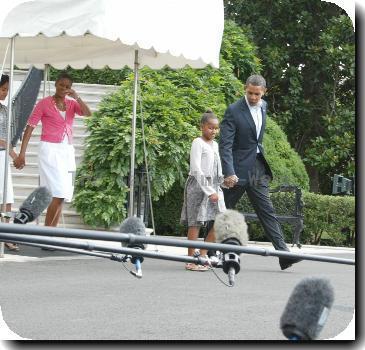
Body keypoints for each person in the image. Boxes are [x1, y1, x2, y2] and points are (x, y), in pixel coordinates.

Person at [219, 74, 301, 270]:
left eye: (257, 94)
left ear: (264, 92)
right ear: (244, 89)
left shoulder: (263, 107)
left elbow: (256, 141)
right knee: (222, 209)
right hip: (237, 170)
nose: (253, 97)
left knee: (267, 210)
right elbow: (225, 145)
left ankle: (283, 255)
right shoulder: (233, 110)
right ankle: (208, 252)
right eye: (250, 93)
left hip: (257, 167)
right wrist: (229, 172)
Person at [14, 72, 91, 230]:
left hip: (67, 151)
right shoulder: (44, 103)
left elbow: (88, 113)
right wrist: (22, 153)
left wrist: (76, 97)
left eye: (67, 86)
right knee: (56, 193)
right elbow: (30, 127)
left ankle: (52, 233)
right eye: (61, 85)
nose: (64, 88)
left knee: (63, 194)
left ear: (71, 88)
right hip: (49, 151)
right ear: (56, 84)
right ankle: (47, 234)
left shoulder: (71, 104)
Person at [180, 109, 226, 271]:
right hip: (198, 186)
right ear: (202, 127)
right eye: (210, 127)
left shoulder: (216, 145)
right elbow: (196, 169)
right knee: (195, 222)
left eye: (216, 128)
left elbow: (217, 169)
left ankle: (203, 255)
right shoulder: (197, 143)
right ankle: (191, 260)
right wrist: (209, 191)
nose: (214, 131)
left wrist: (225, 182)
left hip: (214, 187)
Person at [0, 74, 19, 251]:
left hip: (3, 156)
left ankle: (5, 235)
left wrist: (13, 153)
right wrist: (14, 155)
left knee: (7, 198)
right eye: (3, 89)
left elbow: (6, 136)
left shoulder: (4, 110)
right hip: (3, 154)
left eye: (7, 89)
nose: (6, 93)